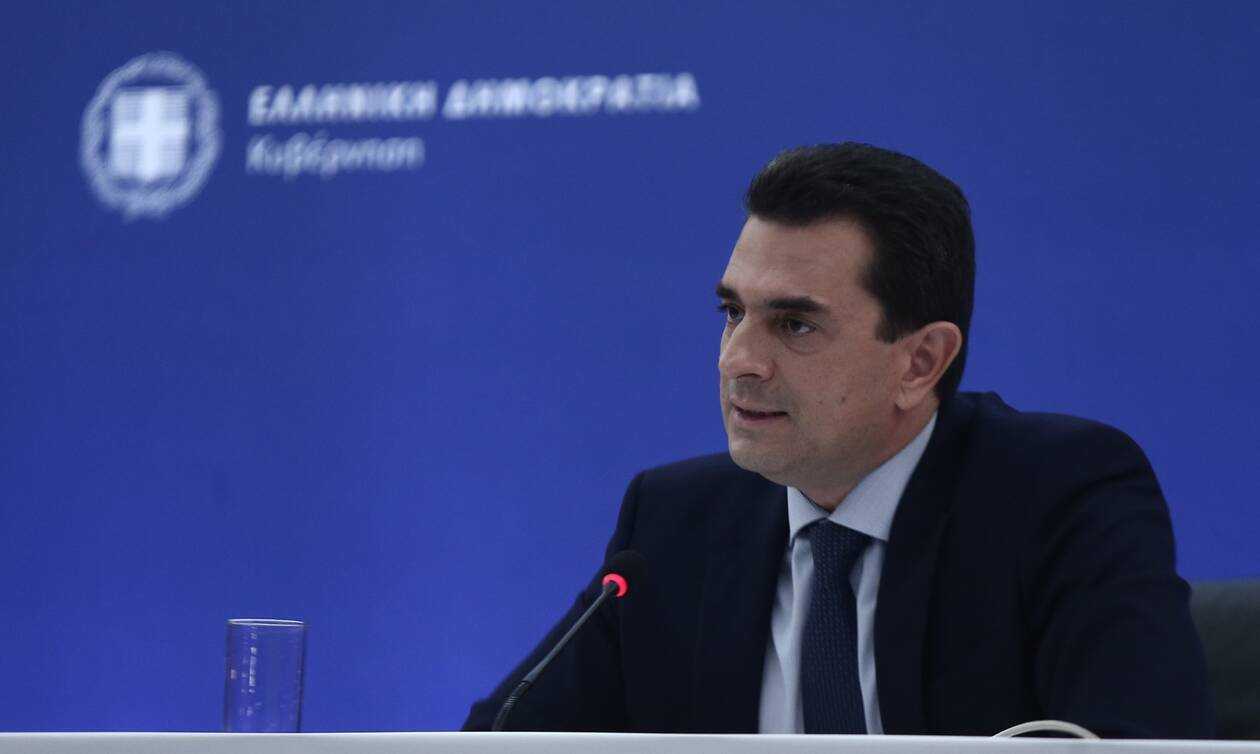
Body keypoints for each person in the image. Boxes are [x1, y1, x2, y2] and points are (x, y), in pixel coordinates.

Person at [462, 143, 1214, 738]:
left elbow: (1139, 744)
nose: (738, 361)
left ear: (920, 362)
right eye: (732, 313)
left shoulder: (1058, 495)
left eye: (794, 324)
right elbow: (499, 741)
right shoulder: (671, 527)